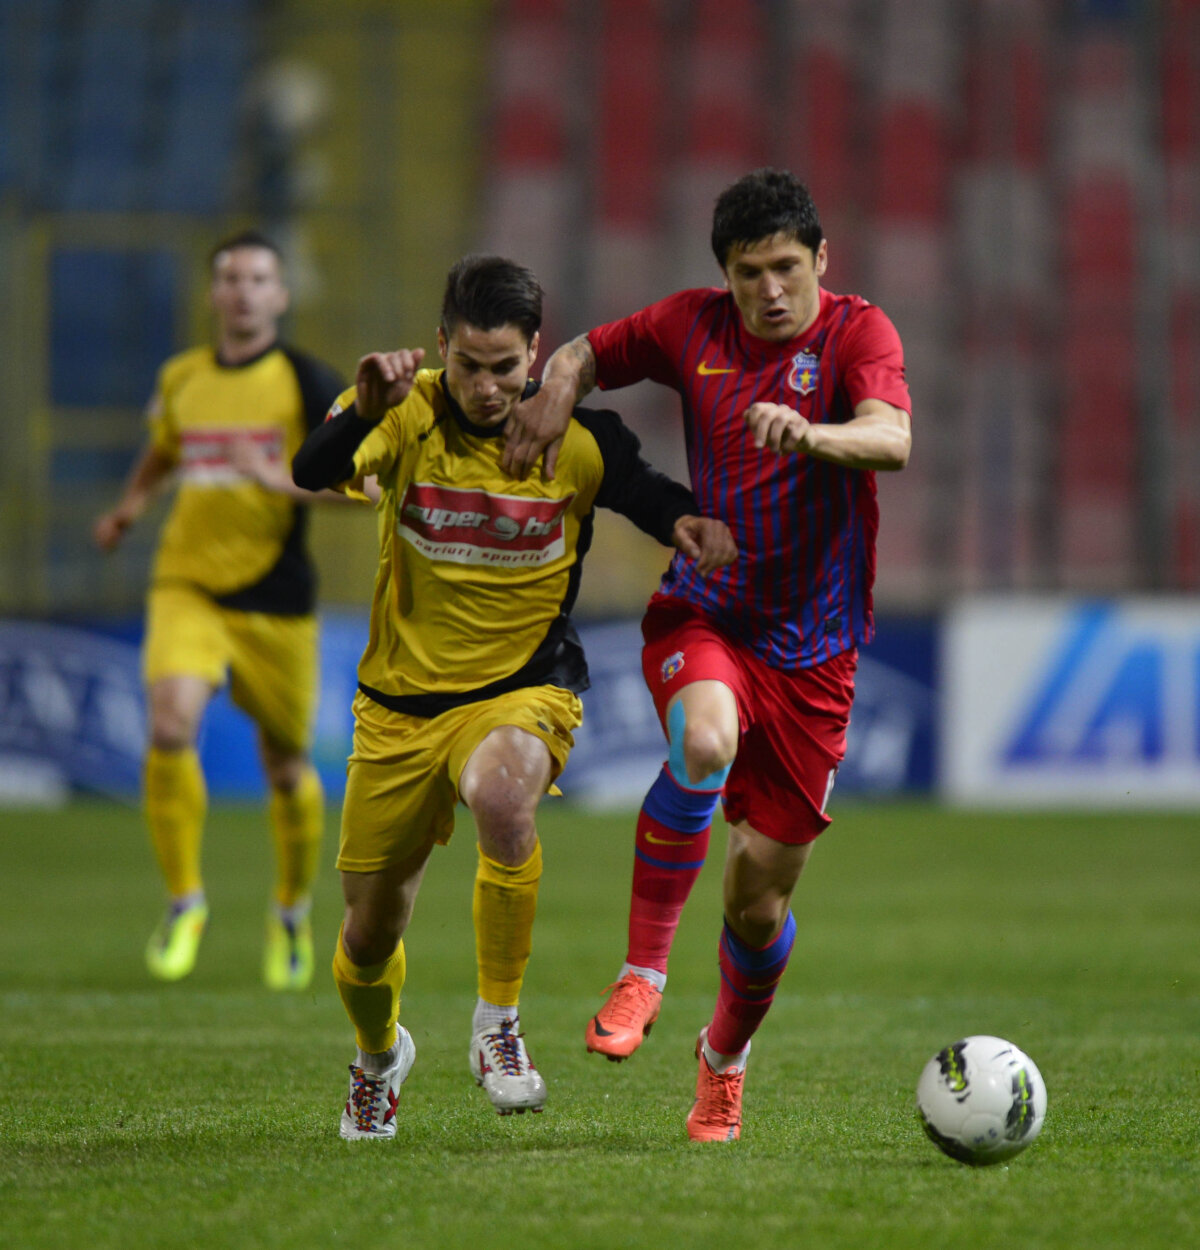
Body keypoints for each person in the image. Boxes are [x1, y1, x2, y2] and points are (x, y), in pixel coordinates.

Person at [503, 168, 913, 1142]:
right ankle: (643, 969)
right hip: (710, 615)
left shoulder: (859, 332)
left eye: (785, 267)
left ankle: (723, 1055)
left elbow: (892, 437)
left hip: (816, 654)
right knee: (705, 737)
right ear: (722, 275)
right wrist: (556, 387)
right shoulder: (690, 327)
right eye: (747, 272)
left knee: (759, 904)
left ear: (821, 259)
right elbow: (584, 351)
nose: (769, 290)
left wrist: (812, 434)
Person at [291, 254, 736, 1138]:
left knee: (503, 794)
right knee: (368, 935)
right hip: (397, 707)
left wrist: (685, 523)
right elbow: (314, 467)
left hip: (521, 691)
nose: (488, 388)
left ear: (537, 352)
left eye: (506, 366)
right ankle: (379, 1057)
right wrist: (366, 405)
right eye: (468, 365)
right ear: (442, 347)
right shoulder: (403, 408)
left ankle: (499, 1027)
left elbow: (643, 490)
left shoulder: (575, 435)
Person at [93, 229, 352, 991]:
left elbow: (366, 488)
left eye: (258, 278)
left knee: (285, 767)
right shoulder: (181, 378)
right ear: (213, 294)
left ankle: (291, 912)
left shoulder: (307, 382)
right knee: (170, 723)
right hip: (187, 586)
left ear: (281, 295)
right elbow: (166, 449)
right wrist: (130, 506)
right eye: (230, 278)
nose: (242, 290)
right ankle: (185, 902)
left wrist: (280, 481)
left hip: (276, 600)